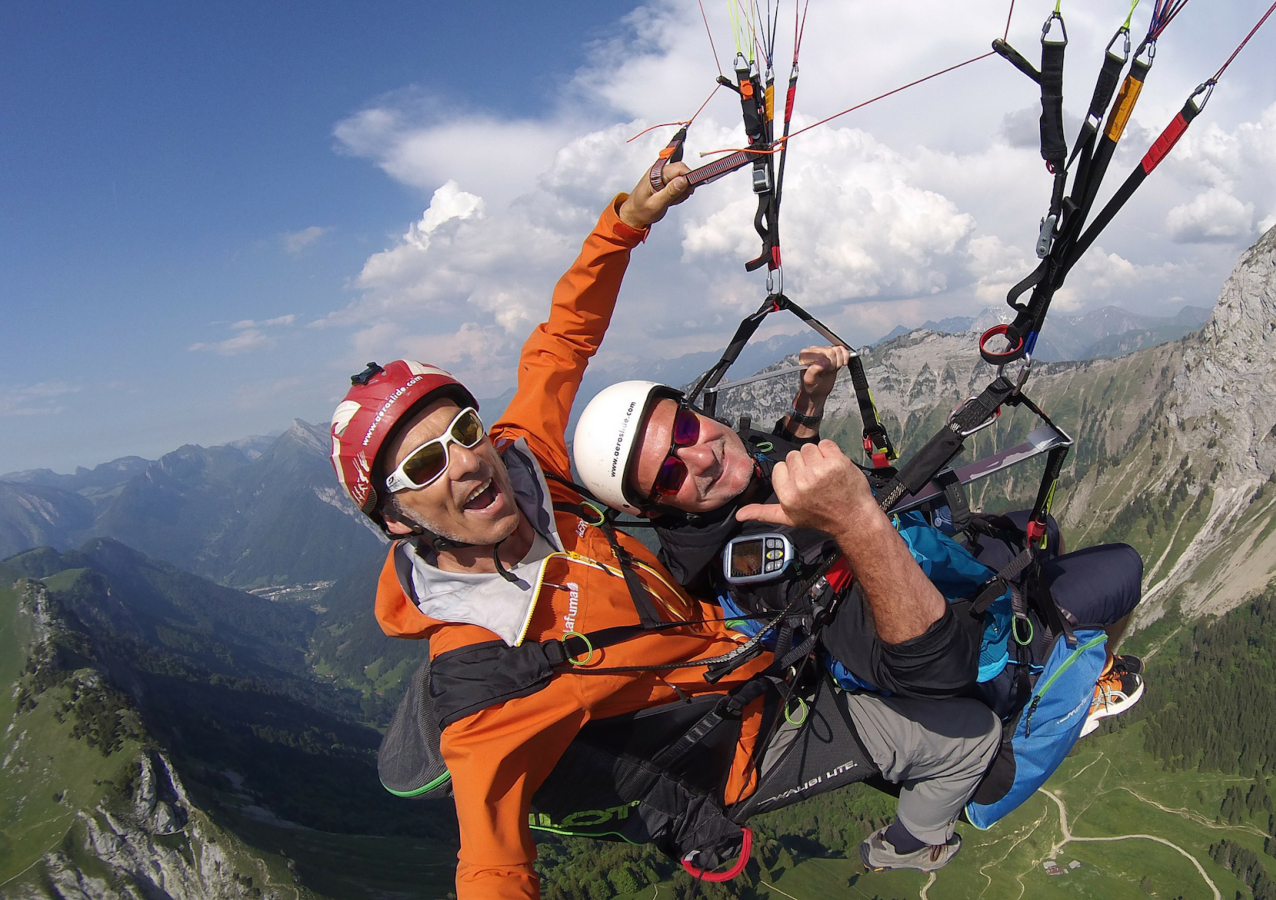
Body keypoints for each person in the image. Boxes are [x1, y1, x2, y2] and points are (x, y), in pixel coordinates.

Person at [329, 161, 994, 898]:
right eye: (424, 465)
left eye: (462, 428)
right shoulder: (483, 671)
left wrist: (626, 223)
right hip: (739, 736)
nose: (464, 463)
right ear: (395, 520)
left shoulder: (529, 468)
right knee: (970, 741)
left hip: (737, 642)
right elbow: (491, 863)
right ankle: (913, 843)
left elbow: (561, 342)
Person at [571, 349, 1147, 748]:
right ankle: (1066, 688)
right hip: (972, 647)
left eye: (688, 430)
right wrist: (857, 521)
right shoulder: (762, 563)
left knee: (1036, 528)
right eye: (671, 472)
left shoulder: (723, 497)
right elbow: (933, 671)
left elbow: (769, 455)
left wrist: (809, 401)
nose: (702, 456)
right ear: (655, 510)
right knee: (1123, 566)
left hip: (936, 558)